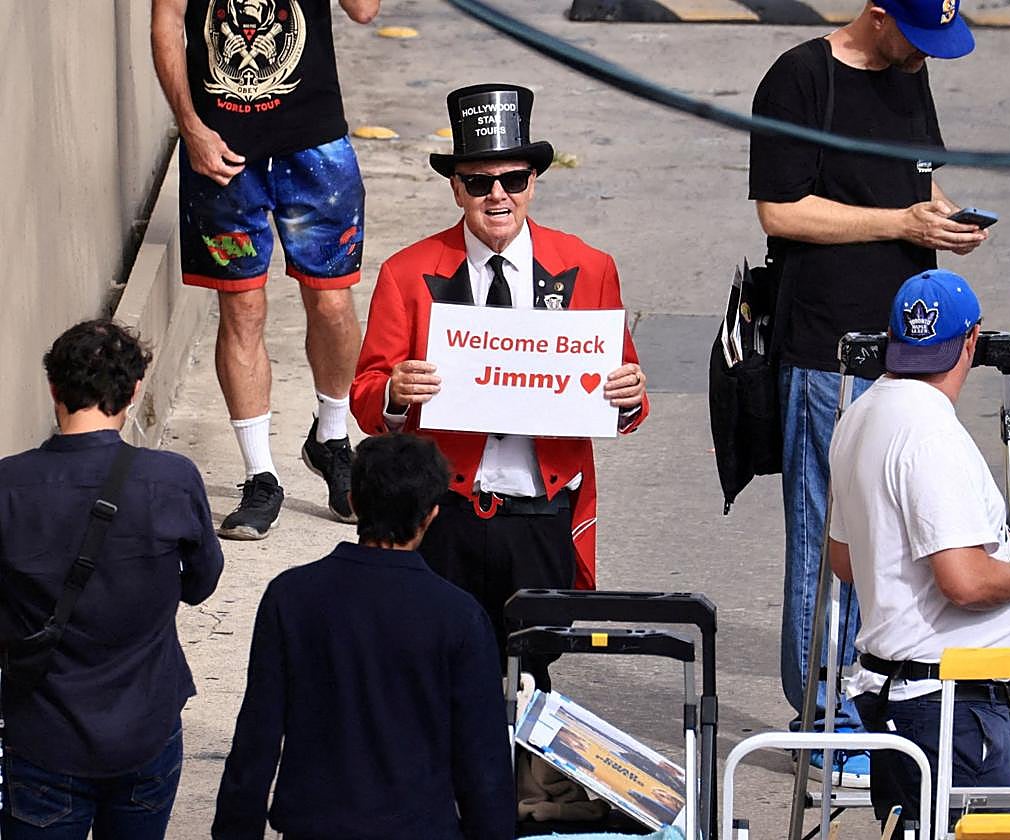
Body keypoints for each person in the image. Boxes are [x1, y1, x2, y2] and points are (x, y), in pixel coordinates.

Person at [748, 0, 988, 785]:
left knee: (898, 530)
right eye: (917, 39)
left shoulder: (906, 73)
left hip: (908, 351)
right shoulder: (801, 78)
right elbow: (782, 209)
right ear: (876, 14)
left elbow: (916, 183)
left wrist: (947, 222)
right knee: (828, 537)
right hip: (827, 348)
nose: (926, 57)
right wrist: (903, 226)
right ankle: (823, 720)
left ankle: (879, 701)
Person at [350, 83, 649, 687]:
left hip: (542, 508)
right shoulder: (408, 273)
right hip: (446, 510)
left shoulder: (589, 267)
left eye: (512, 180)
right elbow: (366, 397)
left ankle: (522, 781)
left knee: (534, 668)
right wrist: (394, 393)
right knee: (437, 666)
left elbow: (624, 398)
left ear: (533, 182)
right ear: (455, 187)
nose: (497, 195)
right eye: (478, 181)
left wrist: (629, 397)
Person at [827, 270, 1010, 823]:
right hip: (946, 701)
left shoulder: (861, 414)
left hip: (894, 690)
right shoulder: (932, 434)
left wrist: (987, 543)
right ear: (971, 340)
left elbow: (846, 559)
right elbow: (963, 582)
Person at [150, 0, 380, 540]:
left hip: (315, 141)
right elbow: (168, 19)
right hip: (223, 146)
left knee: (332, 300)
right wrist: (190, 127)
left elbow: (366, 11)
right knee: (242, 306)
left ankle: (331, 437)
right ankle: (261, 475)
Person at [211, 432, 515, 839]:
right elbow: (484, 762)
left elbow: (257, 737)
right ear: (431, 516)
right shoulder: (460, 617)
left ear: (353, 501)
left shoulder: (292, 596)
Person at [0, 320, 224, 839]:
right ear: (135, 389)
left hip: (43, 736)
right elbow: (201, 583)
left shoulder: (8, 485)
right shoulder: (171, 478)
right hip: (146, 729)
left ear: (53, 387)